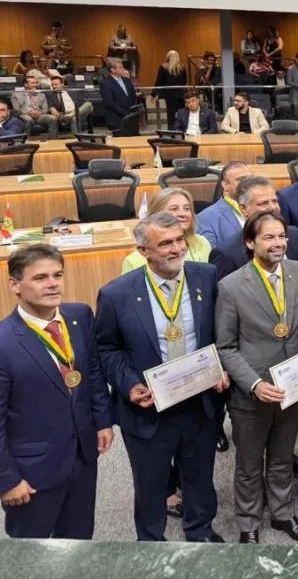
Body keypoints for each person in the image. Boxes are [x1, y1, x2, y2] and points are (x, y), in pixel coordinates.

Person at [95, 213, 227, 542]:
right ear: (143, 251)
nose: (176, 248)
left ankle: (199, 532)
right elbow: (106, 349)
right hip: (147, 408)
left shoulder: (206, 277)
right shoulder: (116, 294)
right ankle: (151, 543)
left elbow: (222, 333)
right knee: (150, 485)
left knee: (199, 477)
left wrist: (221, 366)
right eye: (165, 243)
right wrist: (128, 385)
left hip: (200, 402)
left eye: (180, 240)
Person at [216, 211, 298, 544]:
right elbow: (226, 346)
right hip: (253, 392)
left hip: (294, 387)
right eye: (269, 237)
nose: (279, 243)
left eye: (282, 236)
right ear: (250, 242)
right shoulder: (231, 286)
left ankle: (283, 514)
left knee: (281, 457)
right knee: (249, 464)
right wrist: (254, 384)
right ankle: (248, 523)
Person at [0, 245, 113, 539]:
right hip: (32, 472)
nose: (52, 284)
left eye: (57, 275)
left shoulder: (79, 316)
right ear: (15, 285)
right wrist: (6, 479)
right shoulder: (4, 342)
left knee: (78, 541)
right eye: (40, 278)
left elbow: (93, 373)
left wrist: (102, 421)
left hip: (82, 456)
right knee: (31, 554)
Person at [209, 176, 298, 280]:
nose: (273, 207)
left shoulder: (294, 235)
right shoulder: (227, 254)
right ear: (243, 208)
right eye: (263, 203)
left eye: (274, 201)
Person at [122, 188, 211, 273]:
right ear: (157, 214)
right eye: (174, 209)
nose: (183, 213)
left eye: (187, 208)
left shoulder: (201, 242)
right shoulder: (134, 261)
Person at [197, 162, 253, 248]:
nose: (248, 183)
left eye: (251, 179)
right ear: (225, 185)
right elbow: (212, 257)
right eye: (241, 179)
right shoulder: (205, 218)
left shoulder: (263, 210)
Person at [11, 75, 57, 139]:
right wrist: (28, 113)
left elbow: (45, 109)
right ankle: (24, 141)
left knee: (53, 118)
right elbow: (16, 110)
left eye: (36, 83)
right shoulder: (16, 94)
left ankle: (53, 140)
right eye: (33, 83)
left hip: (39, 115)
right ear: (26, 84)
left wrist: (40, 112)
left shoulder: (41, 95)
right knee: (28, 120)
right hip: (24, 115)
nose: (35, 85)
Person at [153, 51, 188, 129]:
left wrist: (153, 94)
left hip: (169, 95)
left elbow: (159, 81)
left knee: (171, 115)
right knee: (181, 114)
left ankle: (172, 132)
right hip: (181, 93)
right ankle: (182, 130)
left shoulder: (163, 67)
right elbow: (185, 81)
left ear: (167, 57)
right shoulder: (182, 67)